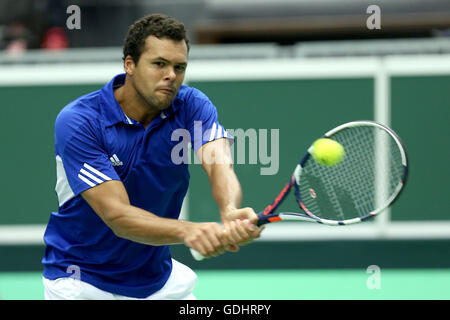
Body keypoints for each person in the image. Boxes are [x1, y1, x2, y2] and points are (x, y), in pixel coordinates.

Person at [41, 13, 264, 300]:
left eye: (179, 67)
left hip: (159, 281)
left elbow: (219, 162)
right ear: (130, 65)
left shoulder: (191, 104)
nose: (171, 75)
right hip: (82, 283)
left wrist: (230, 211)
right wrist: (188, 231)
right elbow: (118, 216)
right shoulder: (80, 121)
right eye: (159, 64)